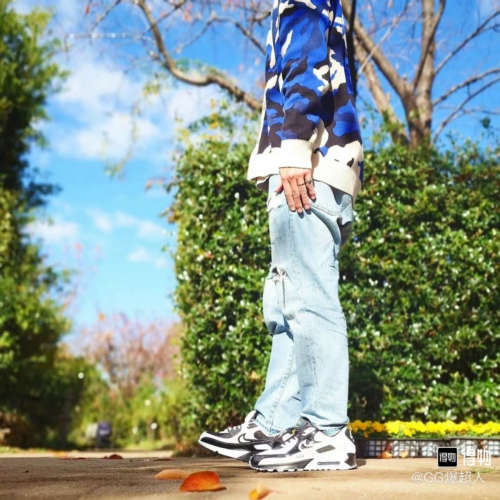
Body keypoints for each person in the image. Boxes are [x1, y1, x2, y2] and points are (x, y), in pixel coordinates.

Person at [199, 0, 364, 472]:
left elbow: (305, 64)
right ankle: (276, 421)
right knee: (289, 303)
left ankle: (327, 432)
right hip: (320, 165)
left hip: (308, 165)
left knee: (308, 297)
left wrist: (293, 149)